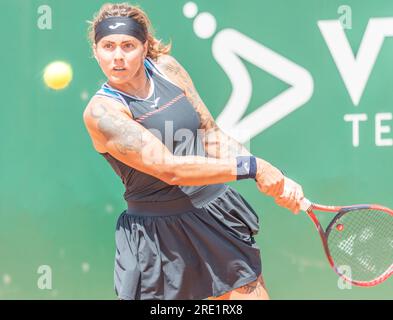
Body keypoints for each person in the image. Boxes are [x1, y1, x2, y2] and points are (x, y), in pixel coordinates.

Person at [83, 2, 304, 300]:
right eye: (108, 46)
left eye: (128, 45)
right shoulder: (102, 112)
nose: (118, 56)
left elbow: (210, 133)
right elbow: (170, 168)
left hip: (213, 214)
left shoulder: (167, 70)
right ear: (95, 51)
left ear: (145, 46)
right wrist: (253, 167)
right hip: (159, 239)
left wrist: (275, 178)